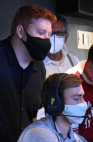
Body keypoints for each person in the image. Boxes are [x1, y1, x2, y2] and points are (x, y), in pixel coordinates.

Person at [0, 4, 56, 142]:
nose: (46, 40)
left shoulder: (39, 67)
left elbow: (34, 113)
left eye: (49, 34)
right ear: (20, 32)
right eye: (41, 32)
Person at [18, 73, 88, 142]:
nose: (83, 103)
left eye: (83, 97)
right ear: (56, 102)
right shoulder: (39, 134)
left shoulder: (78, 139)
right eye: (76, 98)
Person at [37, 14, 79, 120]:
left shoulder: (73, 61)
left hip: (70, 121)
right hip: (45, 121)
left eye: (59, 33)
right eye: (51, 33)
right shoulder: (36, 62)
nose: (55, 37)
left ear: (66, 37)